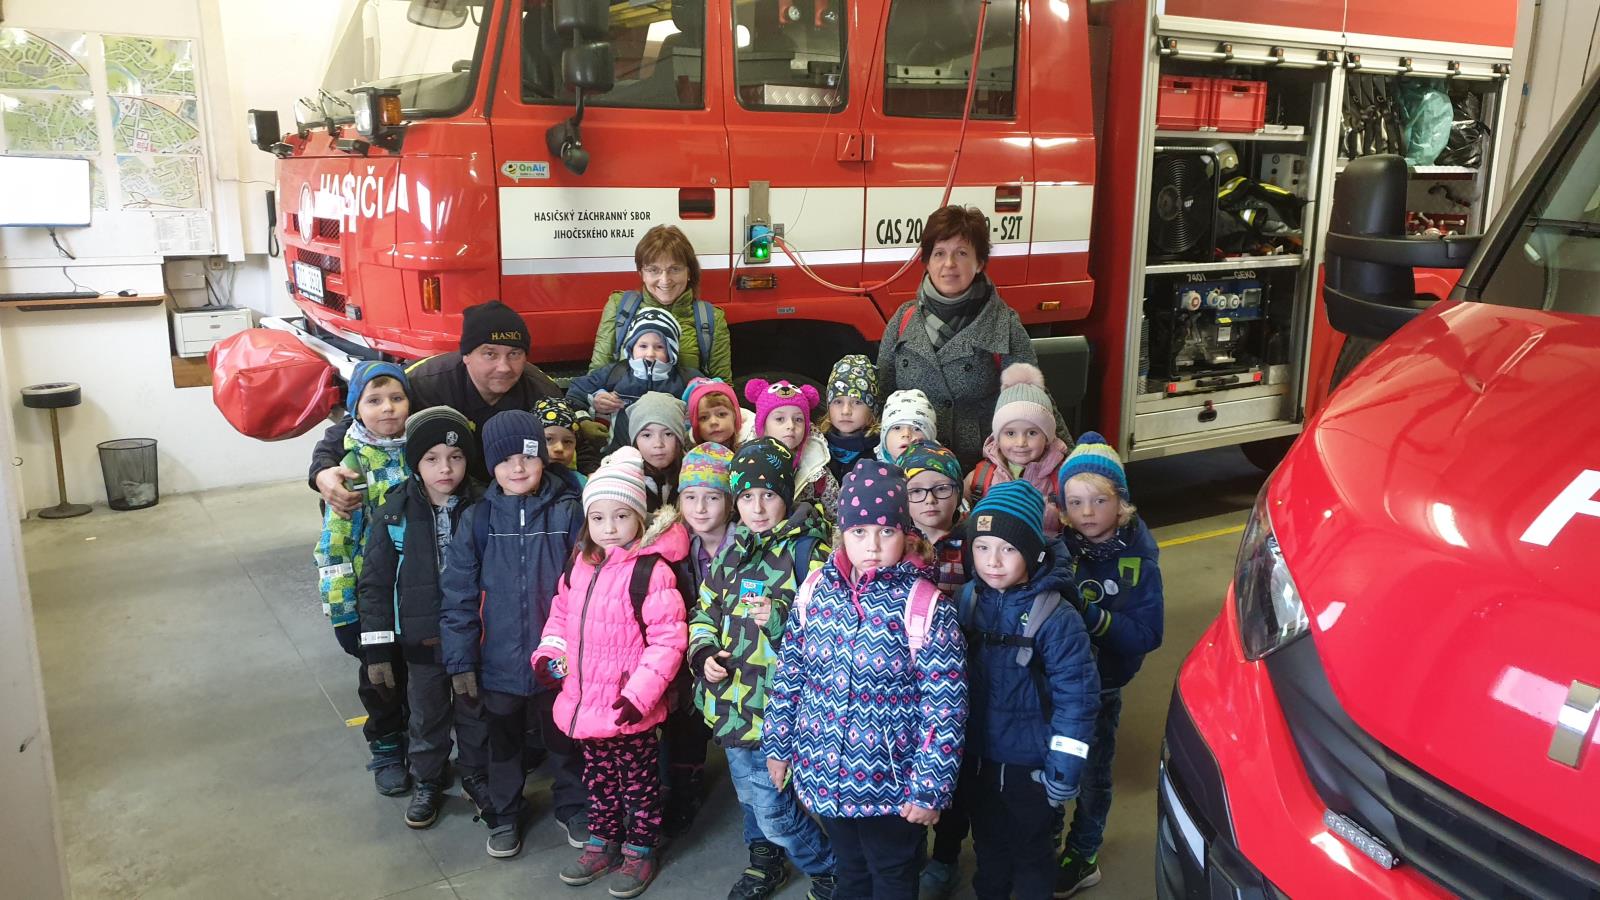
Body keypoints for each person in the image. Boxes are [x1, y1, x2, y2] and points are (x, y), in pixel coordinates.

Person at [765, 460, 968, 900]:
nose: (872, 545)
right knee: (850, 870)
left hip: (893, 785)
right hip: (823, 773)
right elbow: (791, 674)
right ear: (842, 534)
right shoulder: (816, 589)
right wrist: (779, 747)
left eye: (886, 531)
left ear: (905, 533)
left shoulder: (924, 606)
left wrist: (930, 787)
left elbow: (946, 706)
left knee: (893, 874)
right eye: (859, 532)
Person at [534, 448, 689, 898]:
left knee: (639, 781)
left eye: (620, 517)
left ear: (639, 518)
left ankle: (640, 849)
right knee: (597, 779)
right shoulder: (579, 564)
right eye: (598, 518)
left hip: (627, 706)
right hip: (585, 702)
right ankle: (603, 841)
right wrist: (549, 655)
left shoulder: (651, 571)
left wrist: (640, 694)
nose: (609, 528)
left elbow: (668, 640)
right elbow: (560, 616)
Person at [687, 438, 836, 900]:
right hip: (733, 704)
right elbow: (704, 611)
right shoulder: (732, 554)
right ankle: (764, 861)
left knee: (774, 804)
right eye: (747, 496)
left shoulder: (808, 551)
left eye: (768, 494)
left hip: (781, 708)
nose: (757, 506)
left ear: (785, 496)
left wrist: (777, 617)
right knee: (751, 797)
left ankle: (830, 867)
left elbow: (827, 626)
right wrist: (703, 653)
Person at [439, 410, 587, 859]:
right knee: (501, 746)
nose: (517, 468)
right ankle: (504, 812)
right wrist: (461, 659)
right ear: (490, 466)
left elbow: (585, 587)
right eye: (504, 461)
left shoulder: (569, 513)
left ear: (542, 457)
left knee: (565, 740)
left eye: (526, 457)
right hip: (498, 661)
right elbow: (458, 593)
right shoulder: (478, 520)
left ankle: (575, 806)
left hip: (557, 660)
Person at [960, 481, 1099, 900]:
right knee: (988, 846)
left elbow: (1078, 700)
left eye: (1008, 548)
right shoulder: (967, 600)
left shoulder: (1056, 617)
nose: (993, 562)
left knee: (1033, 852)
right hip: (980, 758)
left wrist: (1064, 768)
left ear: (1035, 552)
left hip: (1032, 765)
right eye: (982, 548)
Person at [357, 406, 490, 828]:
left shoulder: (486, 507)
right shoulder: (394, 512)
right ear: (415, 463)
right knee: (426, 716)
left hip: (474, 641)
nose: (445, 469)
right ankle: (428, 778)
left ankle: (476, 774)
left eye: (454, 457)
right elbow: (375, 585)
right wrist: (377, 652)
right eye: (431, 459)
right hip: (422, 641)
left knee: (474, 713)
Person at [312, 300, 579, 510]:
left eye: (515, 354)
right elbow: (358, 423)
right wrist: (323, 471)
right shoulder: (424, 382)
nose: (504, 367)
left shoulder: (540, 390)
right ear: (466, 355)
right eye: (489, 354)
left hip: (509, 497)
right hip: (435, 497)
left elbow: (576, 442)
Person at [1053, 434, 1164, 898]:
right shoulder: (1061, 545)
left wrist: (1095, 618)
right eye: (1075, 501)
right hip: (1058, 686)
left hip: (1102, 687)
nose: (1087, 511)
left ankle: (1084, 851)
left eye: (1100, 500)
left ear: (1121, 504)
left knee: (1094, 772)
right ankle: (1044, 840)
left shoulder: (1139, 559)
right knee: (1055, 767)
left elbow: (1148, 633)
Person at [875, 205, 1065, 467]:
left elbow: (1035, 404)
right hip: (913, 476)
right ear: (926, 261)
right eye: (939, 253)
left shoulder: (1003, 325)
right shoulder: (903, 320)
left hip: (982, 474)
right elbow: (882, 394)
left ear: (980, 263)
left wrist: (1074, 467)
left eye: (961, 253)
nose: (949, 264)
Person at [313, 359, 414, 795]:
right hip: (372, 594)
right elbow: (333, 547)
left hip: (421, 589)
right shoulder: (350, 465)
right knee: (380, 675)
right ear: (356, 408)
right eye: (374, 400)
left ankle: (424, 743)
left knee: (421, 672)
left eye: (396, 398)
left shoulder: (424, 449)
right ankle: (388, 747)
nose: (388, 408)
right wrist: (344, 612)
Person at [662, 442, 737, 838]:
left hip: (736, 649)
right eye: (690, 497)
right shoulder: (674, 546)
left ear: (729, 501)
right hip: (689, 648)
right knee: (685, 719)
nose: (701, 508)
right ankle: (684, 784)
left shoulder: (743, 545)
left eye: (712, 497)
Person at [590, 225, 733, 381]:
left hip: (685, 405)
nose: (665, 280)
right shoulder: (619, 306)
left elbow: (723, 387)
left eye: (675, 269)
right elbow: (596, 376)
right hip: (625, 403)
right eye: (654, 270)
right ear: (641, 273)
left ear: (689, 272)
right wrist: (600, 397)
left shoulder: (711, 318)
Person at [964, 363, 1073, 533]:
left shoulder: (1064, 477)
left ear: (1047, 437)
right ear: (997, 437)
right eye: (1010, 433)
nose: (1020, 442)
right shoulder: (978, 479)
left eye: (1031, 433)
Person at [569, 307, 702, 425]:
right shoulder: (614, 373)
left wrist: (699, 410)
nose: (650, 354)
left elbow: (718, 397)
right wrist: (591, 406)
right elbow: (575, 394)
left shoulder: (688, 379)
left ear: (671, 351)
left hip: (670, 449)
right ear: (631, 348)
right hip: (618, 450)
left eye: (659, 347)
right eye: (643, 346)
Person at [744, 378, 838, 522]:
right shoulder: (745, 465)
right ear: (762, 426)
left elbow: (836, 516)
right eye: (780, 419)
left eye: (798, 419)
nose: (790, 426)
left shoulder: (818, 472)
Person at [620, 391, 690, 510]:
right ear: (635, 440)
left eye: (668, 434)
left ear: (679, 438)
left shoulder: (694, 473)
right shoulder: (622, 479)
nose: (658, 444)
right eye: (647, 435)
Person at [820, 354, 880, 480]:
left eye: (857, 402)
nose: (846, 411)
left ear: (871, 409)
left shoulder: (880, 454)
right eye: (838, 402)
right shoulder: (819, 449)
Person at [684, 378, 753, 449]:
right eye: (704, 418)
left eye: (721, 414)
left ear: (735, 416)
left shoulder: (753, 447)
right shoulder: (688, 452)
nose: (713, 422)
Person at [535, 397, 592, 481]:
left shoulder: (582, 483)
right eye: (548, 439)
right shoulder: (521, 481)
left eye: (567, 441)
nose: (559, 448)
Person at [876, 389, 937, 465]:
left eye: (917, 428)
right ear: (884, 436)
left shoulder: (942, 469)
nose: (906, 434)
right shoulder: (869, 469)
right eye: (897, 428)